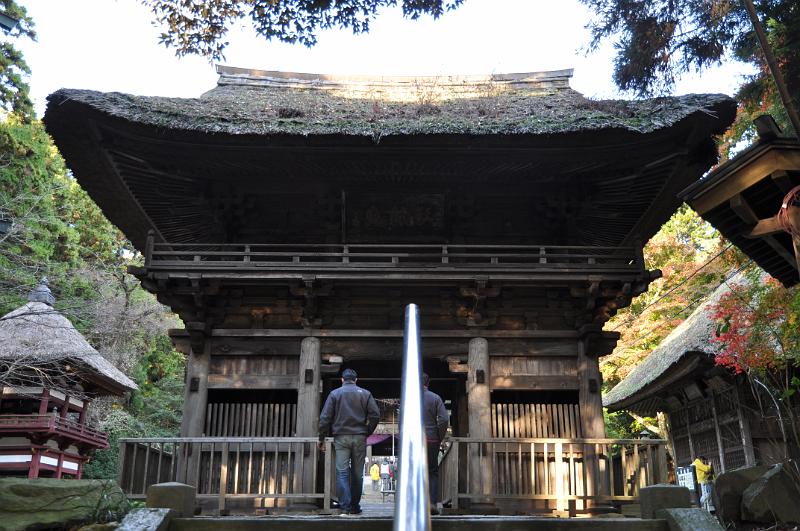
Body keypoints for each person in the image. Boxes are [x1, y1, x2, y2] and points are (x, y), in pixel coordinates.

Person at [318, 368, 380, 516]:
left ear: (342, 380)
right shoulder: (365, 394)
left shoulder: (335, 394)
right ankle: (354, 506)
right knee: (358, 474)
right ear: (356, 380)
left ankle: (345, 507)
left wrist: (321, 438)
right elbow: (375, 415)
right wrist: (367, 431)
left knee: (342, 472)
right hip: (359, 436)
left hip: (341, 437)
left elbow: (325, 418)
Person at [422, 372, 450, 508]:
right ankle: (432, 503)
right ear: (428, 383)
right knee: (432, 471)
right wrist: (439, 436)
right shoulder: (435, 398)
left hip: (414, 441)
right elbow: (444, 419)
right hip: (432, 438)